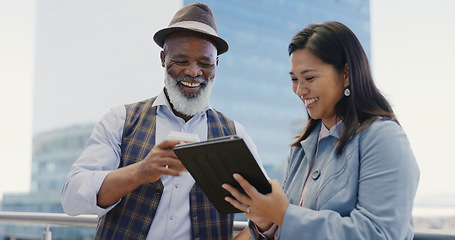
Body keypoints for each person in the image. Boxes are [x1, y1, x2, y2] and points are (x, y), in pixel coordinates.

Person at [61, 3, 265, 240]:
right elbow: (71, 199)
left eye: (205, 63)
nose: (193, 72)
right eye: (181, 60)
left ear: (216, 66)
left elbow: (264, 213)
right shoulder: (121, 120)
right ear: (162, 58)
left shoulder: (234, 134)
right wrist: (140, 171)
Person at [224, 21, 420, 239]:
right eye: (294, 79)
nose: (299, 89)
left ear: (346, 74)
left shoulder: (383, 138)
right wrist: (267, 222)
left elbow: (380, 233)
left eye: (309, 78)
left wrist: (284, 215)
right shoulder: (302, 147)